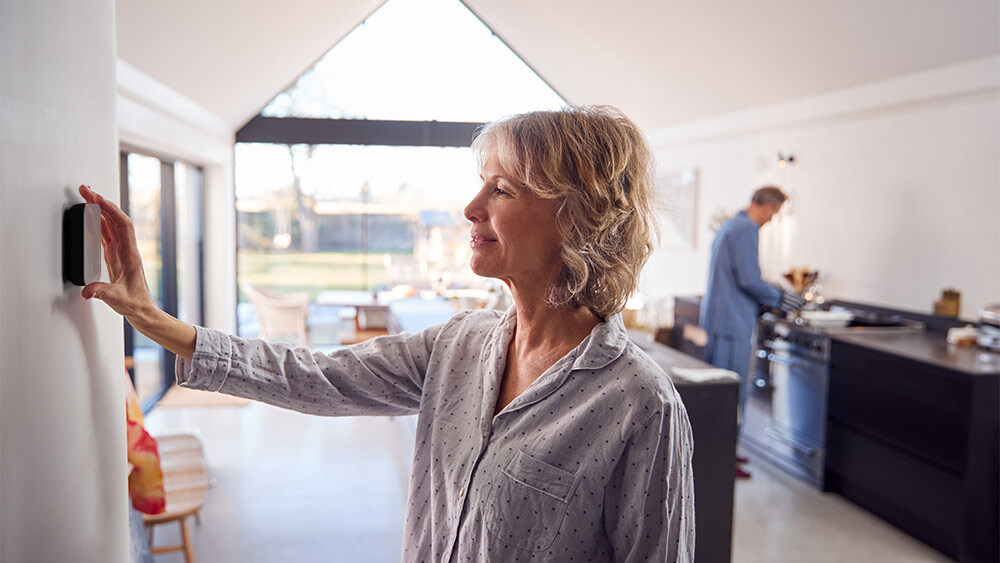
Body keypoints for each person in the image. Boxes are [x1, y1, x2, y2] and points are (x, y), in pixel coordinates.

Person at [79, 105, 696, 562]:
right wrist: (158, 324)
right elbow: (315, 376)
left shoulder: (639, 405)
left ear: (577, 216)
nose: (471, 206)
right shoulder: (460, 344)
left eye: (501, 189)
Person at [699, 186, 804, 479]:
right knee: (732, 393)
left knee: (721, 390)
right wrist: (781, 297)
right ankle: (722, 460)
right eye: (775, 213)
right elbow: (748, 278)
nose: (773, 220)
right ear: (769, 207)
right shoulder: (746, 229)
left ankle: (723, 453)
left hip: (719, 319)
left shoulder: (730, 226)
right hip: (732, 323)